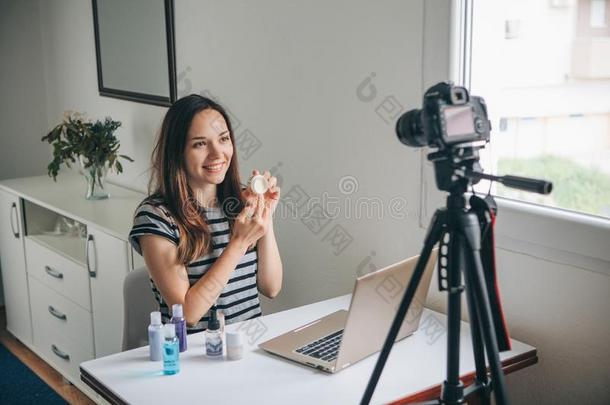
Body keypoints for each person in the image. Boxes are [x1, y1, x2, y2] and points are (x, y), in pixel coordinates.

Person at [129, 94, 282, 333]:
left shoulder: (239, 202)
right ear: (177, 152)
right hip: (195, 359)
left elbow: (271, 287)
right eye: (200, 144)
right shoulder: (156, 217)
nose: (217, 154)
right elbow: (188, 313)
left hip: (248, 353)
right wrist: (239, 243)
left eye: (223, 139)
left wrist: (265, 215)